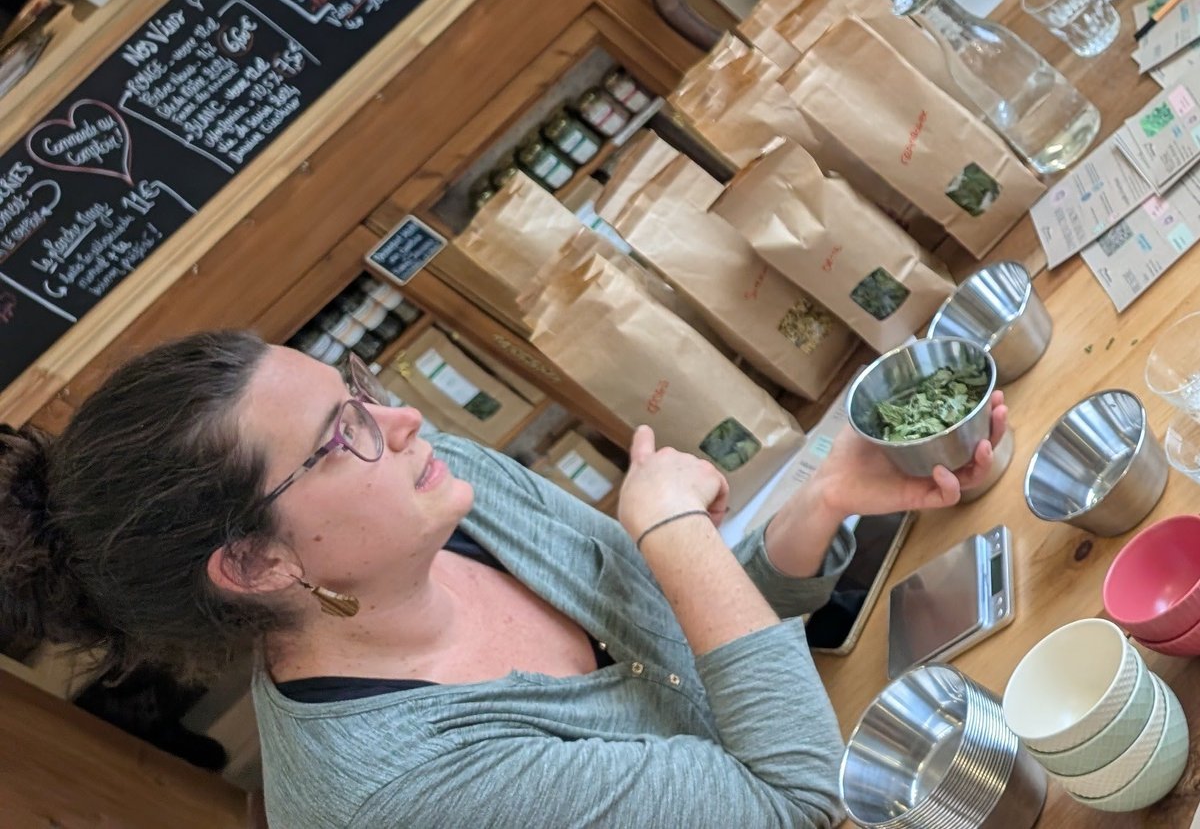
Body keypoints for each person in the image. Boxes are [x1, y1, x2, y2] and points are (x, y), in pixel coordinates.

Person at [0, 331, 1007, 827]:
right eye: (343, 434)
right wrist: (671, 531)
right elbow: (794, 797)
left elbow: (707, 651)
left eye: (356, 385)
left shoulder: (451, 497)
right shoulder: (391, 785)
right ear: (259, 562)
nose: (400, 420)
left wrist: (821, 503)